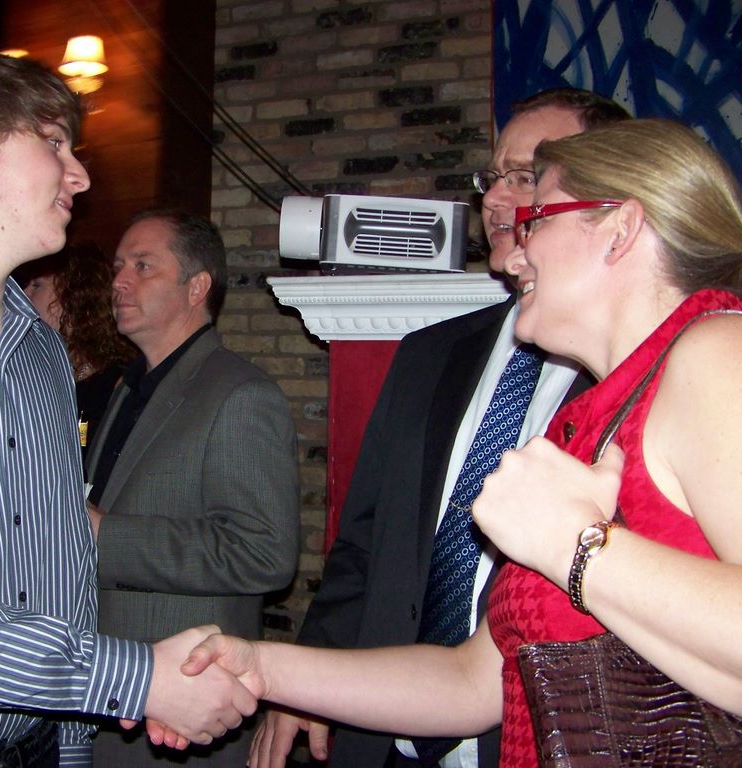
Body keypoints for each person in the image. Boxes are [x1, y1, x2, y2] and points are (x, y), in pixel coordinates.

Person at [180, 117, 742, 766]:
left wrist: (574, 544)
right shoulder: (590, 425)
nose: (514, 252)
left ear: (619, 229)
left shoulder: (714, 350)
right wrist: (264, 666)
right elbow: (472, 683)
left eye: (538, 219)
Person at [0, 54, 255, 767]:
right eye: (54, 142)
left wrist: (74, 744)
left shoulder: (42, 350)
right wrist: (138, 680)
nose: (79, 176)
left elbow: (64, 566)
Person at [252, 88, 630, 768]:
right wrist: (311, 674)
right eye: (495, 177)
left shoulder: (639, 375)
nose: (498, 199)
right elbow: (362, 544)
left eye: (528, 177)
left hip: (536, 737)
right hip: (385, 730)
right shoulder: (428, 353)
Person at [84, 210, 300, 767]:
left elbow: (264, 553)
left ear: (197, 286)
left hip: (185, 711)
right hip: (108, 690)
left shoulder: (240, 394)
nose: (119, 281)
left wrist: (104, 536)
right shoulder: (126, 388)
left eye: (143, 266)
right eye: (118, 267)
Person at [22, 241, 136, 459]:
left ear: (74, 298)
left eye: (37, 285)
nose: (25, 294)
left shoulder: (119, 382)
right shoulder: (35, 375)